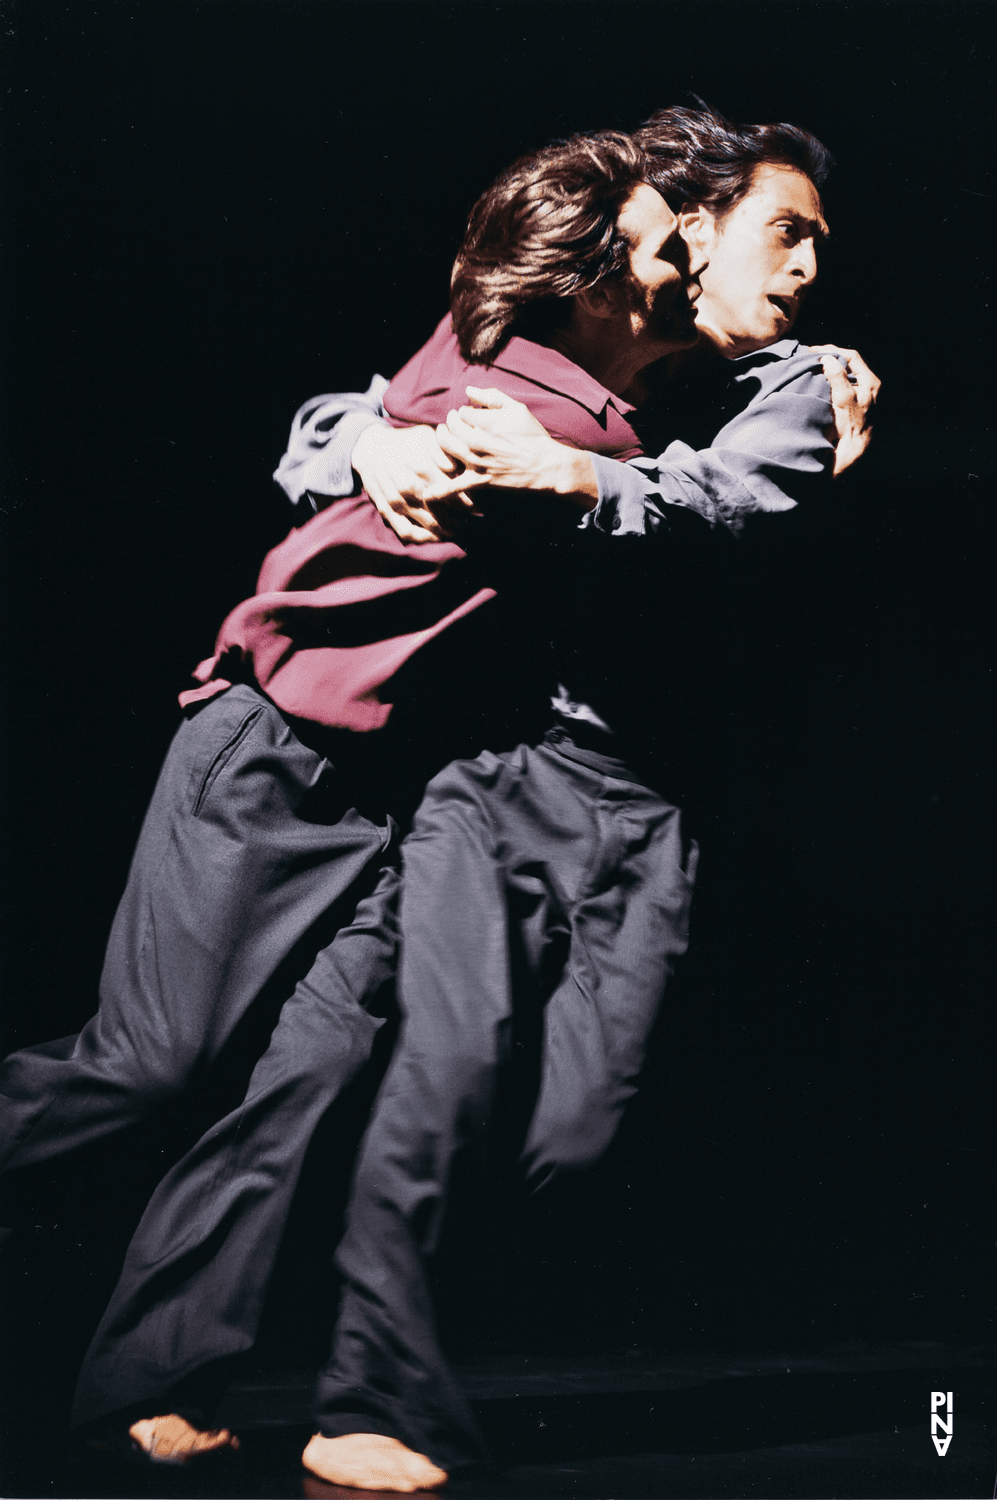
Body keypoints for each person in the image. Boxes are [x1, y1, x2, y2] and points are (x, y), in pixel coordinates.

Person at [260, 110, 878, 1490]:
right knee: (448, 1065)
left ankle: (362, 1295)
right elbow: (345, 415)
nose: (805, 271)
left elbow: (720, 502)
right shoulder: (574, 333)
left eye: (820, 252)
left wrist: (576, 477)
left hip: (651, 809)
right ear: (687, 230)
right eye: (785, 234)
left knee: (571, 1133)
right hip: (497, 762)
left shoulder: (789, 391)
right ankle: (368, 1398)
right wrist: (371, 445)